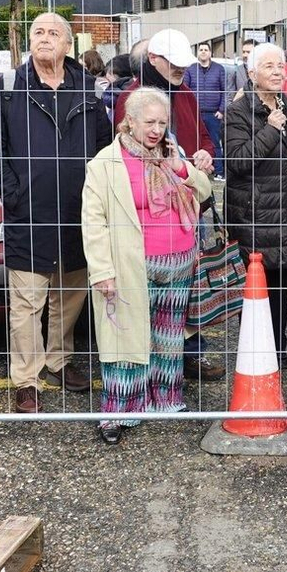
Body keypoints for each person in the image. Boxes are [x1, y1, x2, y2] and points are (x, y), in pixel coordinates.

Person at [0, 11, 112, 414]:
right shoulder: (7, 87)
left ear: (69, 44)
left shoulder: (89, 89)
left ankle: (59, 361)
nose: (45, 38)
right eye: (38, 31)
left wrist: (97, 199)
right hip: (29, 215)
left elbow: (105, 150)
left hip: (77, 212)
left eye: (54, 32)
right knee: (26, 303)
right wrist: (13, 196)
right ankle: (26, 379)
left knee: (69, 297)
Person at [81, 88, 213, 445]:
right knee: (126, 336)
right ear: (130, 121)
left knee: (169, 337)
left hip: (179, 261)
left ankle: (167, 400)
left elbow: (203, 193)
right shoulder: (104, 164)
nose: (157, 130)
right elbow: (93, 223)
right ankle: (121, 410)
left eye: (163, 122)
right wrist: (102, 271)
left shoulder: (172, 154)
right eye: (150, 122)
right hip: (130, 265)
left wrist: (181, 168)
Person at [116, 29, 221, 381]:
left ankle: (184, 358)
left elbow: (204, 137)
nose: (180, 70)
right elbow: (123, 150)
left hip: (189, 206)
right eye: (173, 64)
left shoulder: (187, 94)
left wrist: (206, 154)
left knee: (187, 292)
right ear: (154, 60)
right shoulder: (129, 98)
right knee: (148, 300)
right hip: (151, 213)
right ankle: (147, 367)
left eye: (182, 64)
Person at [224, 43, 287, 361]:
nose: (277, 71)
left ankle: (278, 347)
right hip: (255, 216)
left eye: (280, 65)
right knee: (257, 289)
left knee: (282, 286)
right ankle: (258, 351)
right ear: (252, 72)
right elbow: (238, 160)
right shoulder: (239, 110)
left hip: (285, 213)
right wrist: (271, 130)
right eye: (269, 66)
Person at [184, 41, 228, 179]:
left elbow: (225, 91)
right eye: (201, 49)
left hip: (213, 114)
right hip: (195, 113)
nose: (203, 52)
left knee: (215, 143)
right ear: (197, 53)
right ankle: (194, 171)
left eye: (205, 50)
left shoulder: (219, 69)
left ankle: (219, 172)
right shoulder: (190, 69)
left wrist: (221, 110)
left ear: (210, 53)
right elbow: (185, 90)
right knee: (193, 142)